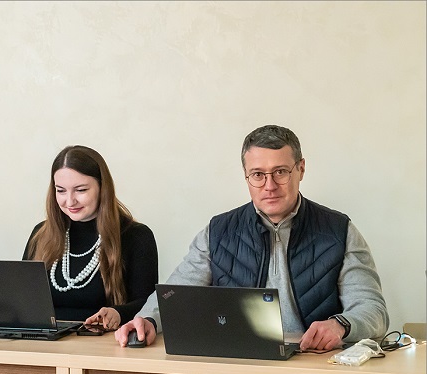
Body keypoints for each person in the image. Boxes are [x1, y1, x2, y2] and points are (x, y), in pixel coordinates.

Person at [116, 125, 389, 351]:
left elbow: (373, 310)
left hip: (315, 363)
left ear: (301, 169)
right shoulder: (217, 232)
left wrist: (341, 325)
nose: (270, 186)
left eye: (280, 172)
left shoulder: (339, 230)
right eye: (258, 175)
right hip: (239, 362)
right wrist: (147, 319)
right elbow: (174, 294)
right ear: (246, 177)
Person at [23, 145, 158, 329]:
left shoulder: (136, 236)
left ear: (102, 188)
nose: (70, 201)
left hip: (105, 340)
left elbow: (149, 304)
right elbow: (23, 299)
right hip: (46, 341)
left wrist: (118, 313)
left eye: (81, 190)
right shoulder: (41, 234)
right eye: (61, 190)